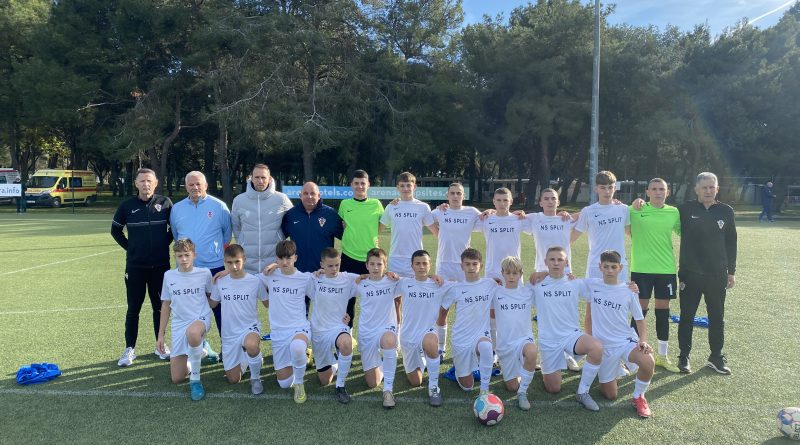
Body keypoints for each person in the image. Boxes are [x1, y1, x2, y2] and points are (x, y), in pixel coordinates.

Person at [111, 168, 174, 367]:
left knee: (160, 307)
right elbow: (115, 230)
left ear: (156, 183)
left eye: (149, 181)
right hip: (136, 267)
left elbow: (174, 229)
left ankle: (160, 345)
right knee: (133, 308)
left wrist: (163, 244)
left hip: (161, 266)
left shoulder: (165, 203)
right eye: (142, 181)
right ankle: (129, 349)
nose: (146, 184)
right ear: (136, 184)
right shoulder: (126, 206)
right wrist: (131, 248)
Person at [677, 172, 737, 374]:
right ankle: (684, 356)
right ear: (696, 189)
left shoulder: (726, 211)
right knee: (687, 316)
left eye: (712, 187)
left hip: (717, 274)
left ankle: (716, 357)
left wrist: (731, 271)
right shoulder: (684, 210)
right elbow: (660, 211)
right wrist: (640, 203)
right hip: (690, 274)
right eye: (704, 187)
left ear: (717, 189)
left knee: (717, 317)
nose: (708, 191)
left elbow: (731, 242)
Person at [583, 250, 655, 418]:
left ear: (620, 268)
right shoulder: (592, 285)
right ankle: (611, 368)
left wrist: (643, 340)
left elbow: (640, 320)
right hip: (603, 348)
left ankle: (639, 397)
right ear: (600, 267)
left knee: (648, 361)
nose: (609, 270)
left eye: (613, 267)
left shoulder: (629, 290)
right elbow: (567, 282)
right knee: (610, 395)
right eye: (606, 266)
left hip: (625, 342)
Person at [532, 247, 604, 412]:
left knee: (596, 348)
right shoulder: (536, 284)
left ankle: (582, 392)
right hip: (549, 341)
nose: (556, 263)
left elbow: (605, 285)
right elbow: (514, 290)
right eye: (552, 259)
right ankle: (553, 362)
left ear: (566, 262)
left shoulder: (575, 283)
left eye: (560, 259)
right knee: (553, 389)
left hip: (571, 336)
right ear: (545, 262)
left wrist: (627, 286)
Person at [170, 170, 232, 361]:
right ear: (186, 186)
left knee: (220, 309)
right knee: (191, 311)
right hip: (187, 270)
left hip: (213, 268)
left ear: (205, 185)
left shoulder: (219, 206)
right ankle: (200, 347)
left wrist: (215, 255)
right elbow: (176, 235)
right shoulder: (177, 209)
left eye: (198, 184)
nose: (195, 187)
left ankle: (228, 348)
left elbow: (226, 235)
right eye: (191, 184)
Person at [628, 178, 681, 373]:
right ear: (647, 192)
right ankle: (631, 355)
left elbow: (686, 233)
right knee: (639, 310)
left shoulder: (674, 212)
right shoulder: (635, 209)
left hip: (666, 269)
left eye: (662, 189)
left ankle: (662, 356)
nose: (658, 192)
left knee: (663, 311)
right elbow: (620, 220)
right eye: (654, 189)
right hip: (641, 268)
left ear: (668, 192)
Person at [156, 239, 213, 400]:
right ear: (174, 257)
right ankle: (200, 351)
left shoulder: (204, 273)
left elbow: (212, 297)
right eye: (180, 256)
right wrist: (160, 335)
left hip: (200, 319)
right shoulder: (169, 276)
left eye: (187, 255)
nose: (184, 259)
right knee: (177, 378)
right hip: (179, 324)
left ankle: (195, 381)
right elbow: (166, 304)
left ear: (194, 255)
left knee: (193, 333)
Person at [437, 248, 499, 396]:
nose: (471, 267)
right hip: (461, 338)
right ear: (462, 266)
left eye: (475, 264)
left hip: (480, 334)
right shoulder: (456, 288)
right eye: (467, 264)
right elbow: (443, 311)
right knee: (467, 387)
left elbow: (509, 285)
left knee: (486, 347)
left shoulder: (490, 284)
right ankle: (459, 371)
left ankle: (484, 390)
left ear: (481, 266)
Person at [209, 244, 269, 395]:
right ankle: (248, 358)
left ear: (244, 259)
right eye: (229, 263)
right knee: (233, 379)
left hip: (250, 328)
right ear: (225, 262)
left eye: (237, 261)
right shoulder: (220, 282)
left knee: (251, 345)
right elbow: (212, 304)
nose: (234, 266)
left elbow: (268, 303)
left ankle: (255, 378)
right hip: (229, 334)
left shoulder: (255, 281)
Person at [259, 240, 313, 403]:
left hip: (299, 328)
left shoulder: (305, 278)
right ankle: (304, 356)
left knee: (297, 347)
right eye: (281, 258)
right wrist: (226, 272)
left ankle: (299, 383)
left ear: (295, 258)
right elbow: (245, 279)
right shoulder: (269, 275)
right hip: (278, 332)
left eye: (288, 258)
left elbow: (321, 297)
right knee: (284, 384)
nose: (285, 262)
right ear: (276, 259)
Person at [398, 250, 450, 407]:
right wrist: (370, 275)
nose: (421, 267)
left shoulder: (438, 284)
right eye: (418, 263)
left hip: (427, 333)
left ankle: (434, 387)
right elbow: (381, 280)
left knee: (431, 343)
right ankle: (421, 359)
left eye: (425, 263)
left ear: (430, 265)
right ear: (412, 266)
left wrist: (492, 282)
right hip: (408, 337)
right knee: (415, 382)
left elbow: (463, 285)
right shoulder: (403, 283)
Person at [307, 247, 358, 404]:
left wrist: (388, 275)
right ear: (322, 264)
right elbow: (291, 276)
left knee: (346, 343)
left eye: (337, 265)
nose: (334, 269)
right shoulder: (314, 278)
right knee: (324, 380)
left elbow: (370, 279)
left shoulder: (348, 278)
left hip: (338, 328)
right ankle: (336, 360)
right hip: (318, 332)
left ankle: (340, 386)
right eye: (330, 266)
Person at [354, 247, 401, 408]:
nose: (375, 268)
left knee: (389, 341)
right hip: (367, 333)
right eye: (372, 264)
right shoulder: (360, 283)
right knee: (372, 383)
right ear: (366, 265)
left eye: (379, 264)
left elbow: (417, 280)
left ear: (385, 266)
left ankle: (388, 390)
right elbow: (336, 281)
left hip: (385, 330)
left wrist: (432, 276)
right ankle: (383, 363)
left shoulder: (393, 281)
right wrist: (320, 272)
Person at [491, 256, 539, 411]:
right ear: (502, 273)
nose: (511, 276)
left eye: (515, 273)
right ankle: (520, 370)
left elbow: (548, 283)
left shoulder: (528, 291)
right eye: (508, 273)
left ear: (521, 274)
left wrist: (542, 273)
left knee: (532, 351)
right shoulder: (495, 292)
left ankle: (523, 392)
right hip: (505, 345)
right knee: (512, 387)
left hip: (524, 340)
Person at [338, 169, 384, 328]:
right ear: (351, 185)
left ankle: (374, 333)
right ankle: (347, 333)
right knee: (347, 299)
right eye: (356, 183)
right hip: (348, 257)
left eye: (362, 183)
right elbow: (343, 224)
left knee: (373, 298)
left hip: (371, 260)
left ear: (368, 185)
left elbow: (383, 224)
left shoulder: (376, 204)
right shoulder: (345, 204)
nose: (359, 186)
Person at [232, 164, 293, 274]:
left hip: (274, 263)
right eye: (257, 177)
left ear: (269, 178)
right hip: (247, 263)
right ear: (251, 178)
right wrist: (243, 242)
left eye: (263, 177)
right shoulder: (239, 200)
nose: (260, 181)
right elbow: (236, 227)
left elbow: (293, 221)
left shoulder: (281, 199)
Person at [572, 171, 630, 279]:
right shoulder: (588, 211)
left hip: (619, 265)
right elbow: (572, 238)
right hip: (596, 265)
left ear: (615, 188)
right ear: (596, 189)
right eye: (603, 188)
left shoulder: (624, 209)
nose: (607, 191)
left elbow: (630, 232)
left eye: (610, 187)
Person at [380, 172, 437, 278]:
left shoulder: (423, 207)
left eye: (408, 185)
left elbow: (436, 232)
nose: (405, 189)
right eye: (402, 186)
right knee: (396, 288)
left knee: (415, 287)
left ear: (414, 187)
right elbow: (378, 230)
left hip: (416, 258)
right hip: (395, 258)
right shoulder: (391, 207)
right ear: (397, 188)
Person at [282, 182, 343, 273]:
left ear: (319, 196)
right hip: (297, 272)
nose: (309, 196)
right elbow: (280, 238)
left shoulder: (331, 214)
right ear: (300, 196)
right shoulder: (291, 215)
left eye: (313, 193)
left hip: (323, 272)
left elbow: (346, 238)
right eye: (305, 193)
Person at [430, 183, 481, 282]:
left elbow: (488, 219)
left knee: (464, 290)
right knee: (443, 291)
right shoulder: (440, 211)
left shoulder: (472, 212)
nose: (455, 196)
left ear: (464, 196)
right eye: (452, 193)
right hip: (443, 263)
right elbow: (423, 219)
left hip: (465, 263)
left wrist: (490, 210)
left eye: (458, 193)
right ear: (447, 195)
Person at [477, 187, 530, 281]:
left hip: (514, 270)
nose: (502, 203)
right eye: (498, 200)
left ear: (511, 201)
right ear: (493, 201)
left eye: (505, 200)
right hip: (492, 271)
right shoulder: (485, 219)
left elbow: (541, 221)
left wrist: (559, 215)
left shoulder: (519, 219)